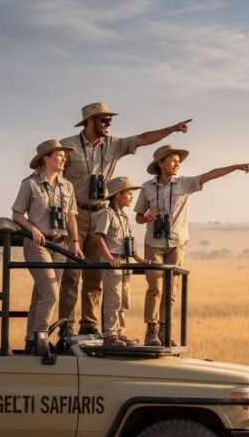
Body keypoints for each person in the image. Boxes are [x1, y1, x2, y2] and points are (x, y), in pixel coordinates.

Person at [58, 102, 192, 336]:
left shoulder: (114, 145)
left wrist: (171, 129)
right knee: (71, 274)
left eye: (110, 120)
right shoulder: (68, 147)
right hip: (75, 213)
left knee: (95, 274)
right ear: (90, 122)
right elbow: (52, 174)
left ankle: (89, 326)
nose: (109, 124)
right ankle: (66, 328)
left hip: (101, 212)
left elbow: (142, 138)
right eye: (104, 120)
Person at [134, 145, 249, 346]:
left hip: (178, 242)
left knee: (171, 290)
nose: (177, 164)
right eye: (173, 160)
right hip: (153, 243)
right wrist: (146, 217)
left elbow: (210, 175)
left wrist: (235, 167)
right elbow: (138, 216)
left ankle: (165, 330)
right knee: (155, 286)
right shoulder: (147, 187)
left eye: (178, 161)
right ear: (160, 163)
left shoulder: (185, 183)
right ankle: (151, 330)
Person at [11, 139, 86, 353]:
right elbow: (17, 214)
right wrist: (32, 229)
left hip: (60, 246)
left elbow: (71, 216)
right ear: (46, 158)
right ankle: (41, 340)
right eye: (59, 156)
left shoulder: (67, 185)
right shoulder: (30, 183)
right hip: (38, 244)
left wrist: (75, 243)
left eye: (65, 157)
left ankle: (30, 341)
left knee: (41, 294)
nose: (64, 159)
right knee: (51, 294)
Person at [94, 177, 151, 347]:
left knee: (124, 299)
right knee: (114, 298)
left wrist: (138, 258)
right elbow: (99, 236)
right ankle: (110, 334)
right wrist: (109, 258)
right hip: (113, 261)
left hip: (126, 263)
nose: (132, 197)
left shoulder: (124, 216)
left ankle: (120, 332)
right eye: (129, 193)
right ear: (118, 195)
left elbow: (128, 241)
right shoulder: (106, 213)